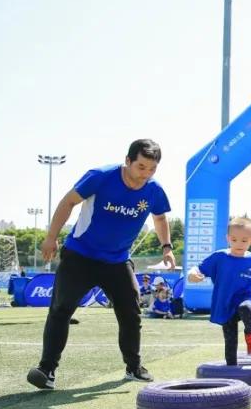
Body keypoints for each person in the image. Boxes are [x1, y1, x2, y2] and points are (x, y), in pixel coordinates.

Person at [26, 139, 175, 390]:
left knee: (131, 313)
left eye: (152, 169)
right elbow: (68, 202)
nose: (146, 174)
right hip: (80, 255)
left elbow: (159, 218)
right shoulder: (100, 176)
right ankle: (46, 369)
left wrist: (167, 247)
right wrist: (51, 237)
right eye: (141, 167)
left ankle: (134, 367)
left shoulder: (154, 190)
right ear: (127, 161)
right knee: (61, 310)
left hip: (117, 261)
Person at [189, 217, 251, 361]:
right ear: (228, 238)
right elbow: (198, 268)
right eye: (234, 240)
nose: (239, 244)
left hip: (244, 298)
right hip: (225, 304)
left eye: (244, 240)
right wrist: (192, 274)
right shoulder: (220, 257)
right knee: (230, 340)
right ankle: (231, 366)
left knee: (245, 308)